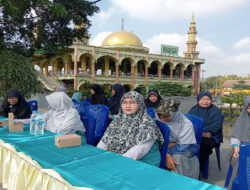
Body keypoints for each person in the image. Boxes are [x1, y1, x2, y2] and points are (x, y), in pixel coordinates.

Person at [97, 91, 163, 160]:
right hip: (120, 156)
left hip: (143, 161)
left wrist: (117, 160)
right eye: (124, 102)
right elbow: (105, 140)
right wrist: (99, 154)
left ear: (140, 104)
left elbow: (139, 150)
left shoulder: (147, 123)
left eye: (132, 102)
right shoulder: (118, 120)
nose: (128, 105)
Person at [156, 98, 199, 179]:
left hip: (185, 148)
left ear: (174, 113)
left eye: (166, 116)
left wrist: (165, 151)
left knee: (176, 159)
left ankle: (179, 183)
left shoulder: (186, 124)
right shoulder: (157, 119)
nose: (162, 118)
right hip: (167, 146)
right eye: (159, 114)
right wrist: (166, 153)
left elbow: (182, 147)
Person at [8, 92, 85, 134]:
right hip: (56, 136)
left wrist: (45, 125)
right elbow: (36, 120)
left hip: (73, 139)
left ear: (58, 103)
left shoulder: (72, 113)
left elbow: (62, 130)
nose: (49, 105)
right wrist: (16, 121)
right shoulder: (54, 111)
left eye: (52, 103)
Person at [188, 91, 223, 172]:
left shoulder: (215, 111)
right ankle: (189, 164)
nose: (205, 101)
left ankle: (199, 167)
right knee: (184, 143)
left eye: (207, 99)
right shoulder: (193, 110)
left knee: (204, 145)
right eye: (203, 99)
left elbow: (216, 126)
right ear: (198, 100)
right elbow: (188, 122)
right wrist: (199, 132)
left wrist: (202, 130)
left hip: (212, 135)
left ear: (211, 100)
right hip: (195, 134)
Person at [227, 95, 250, 189]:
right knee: (238, 159)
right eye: (249, 107)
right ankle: (237, 185)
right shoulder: (241, 120)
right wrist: (235, 147)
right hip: (242, 149)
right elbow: (236, 137)